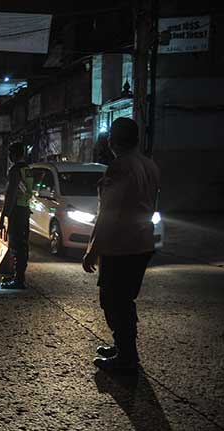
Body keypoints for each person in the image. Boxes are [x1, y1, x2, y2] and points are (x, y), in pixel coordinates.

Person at [83, 117, 160, 372]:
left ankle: (126, 358)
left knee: (114, 301)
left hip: (121, 245)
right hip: (142, 243)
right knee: (125, 299)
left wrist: (92, 251)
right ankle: (124, 348)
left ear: (112, 140)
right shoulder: (149, 166)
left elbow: (109, 213)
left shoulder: (119, 167)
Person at [0, 142, 34, 289]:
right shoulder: (27, 169)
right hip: (25, 210)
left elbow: (11, 194)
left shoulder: (14, 171)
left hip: (17, 211)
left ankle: (18, 280)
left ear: (12, 155)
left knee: (16, 245)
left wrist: (3, 216)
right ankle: (18, 276)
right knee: (23, 245)